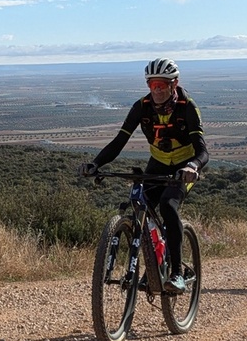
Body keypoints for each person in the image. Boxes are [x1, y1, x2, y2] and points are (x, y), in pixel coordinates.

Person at [78, 58, 209, 294]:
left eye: (161, 84)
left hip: (184, 167)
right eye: (152, 85)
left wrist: (192, 167)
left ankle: (177, 272)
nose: (157, 90)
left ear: (173, 83)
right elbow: (119, 141)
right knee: (139, 203)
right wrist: (96, 163)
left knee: (168, 206)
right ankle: (154, 261)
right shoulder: (142, 106)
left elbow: (203, 151)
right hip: (158, 163)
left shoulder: (187, 106)